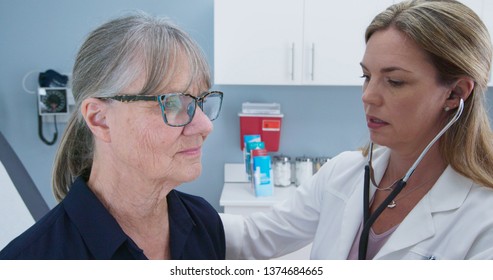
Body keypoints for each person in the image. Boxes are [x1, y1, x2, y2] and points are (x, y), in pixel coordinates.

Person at [221, 0, 493, 260]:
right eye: (366, 76)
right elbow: (253, 237)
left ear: (455, 93)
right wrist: (178, 209)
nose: (368, 96)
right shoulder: (343, 173)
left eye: (395, 81)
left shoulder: (483, 217)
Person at [0, 12, 225, 260]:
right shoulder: (31, 262)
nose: (205, 126)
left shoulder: (204, 223)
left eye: (201, 100)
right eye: (171, 103)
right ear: (100, 119)